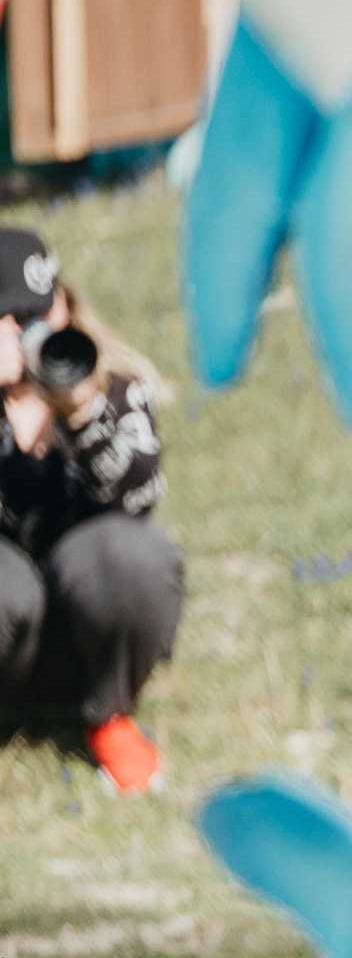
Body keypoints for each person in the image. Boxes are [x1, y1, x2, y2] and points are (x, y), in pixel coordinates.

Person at [0, 227, 182, 794]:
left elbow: (138, 498)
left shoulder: (116, 390)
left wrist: (79, 411)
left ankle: (110, 717)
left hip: (90, 634)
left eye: (36, 314)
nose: (26, 334)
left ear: (62, 306)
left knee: (131, 553)